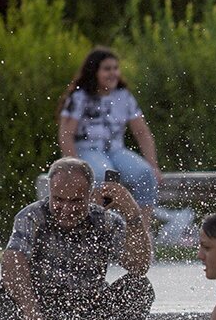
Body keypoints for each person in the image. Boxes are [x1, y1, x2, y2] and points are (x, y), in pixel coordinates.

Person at [0, 157, 155, 320]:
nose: (67, 209)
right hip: (40, 304)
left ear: (90, 195)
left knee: (139, 288)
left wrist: (132, 214)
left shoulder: (105, 221)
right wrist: (31, 314)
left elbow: (139, 266)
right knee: (9, 290)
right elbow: (12, 262)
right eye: (59, 200)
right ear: (50, 193)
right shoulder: (33, 216)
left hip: (83, 310)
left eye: (76, 201)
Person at [58, 48, 163, 228]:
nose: (113, 73)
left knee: (145, 174)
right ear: (94, 71)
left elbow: (142, 132)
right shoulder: (79, 97)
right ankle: (99, 230)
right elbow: (66, 134)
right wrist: (73, 167)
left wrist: (153, 164)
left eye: (116, 68)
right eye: (107, 69)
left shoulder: (124, 96)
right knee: (104, 174)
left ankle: (141, 232)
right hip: (87, 149)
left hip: (115, 150)